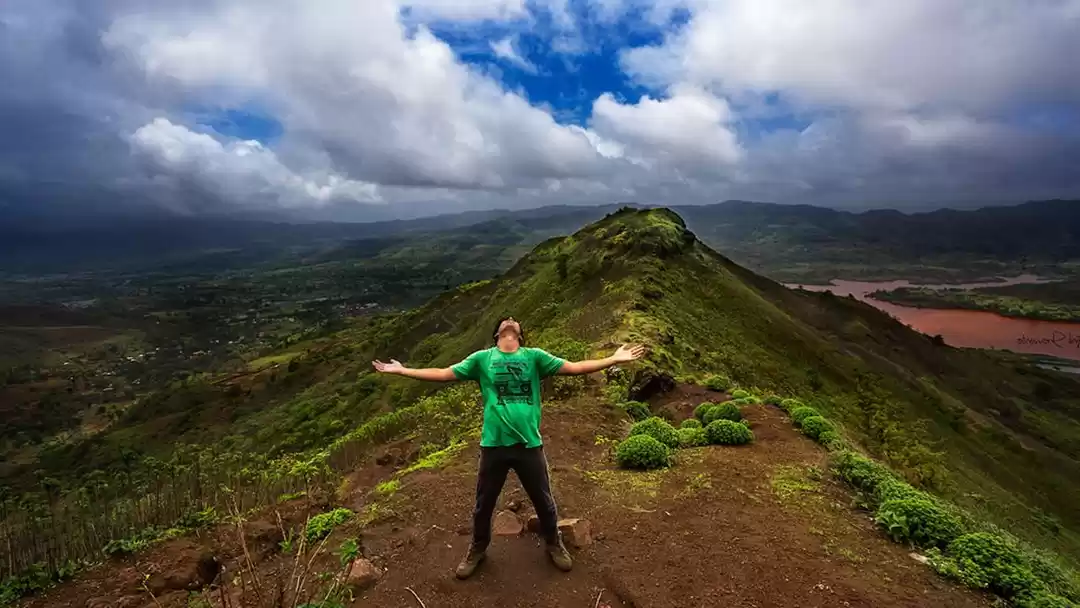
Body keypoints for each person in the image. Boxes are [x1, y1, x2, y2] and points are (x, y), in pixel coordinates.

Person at [372, 316, 645, 579]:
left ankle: (553, 542)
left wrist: (613, 359)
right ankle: (478, 548)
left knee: (544, 501)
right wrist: (403, 370)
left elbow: (574, 367)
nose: (510, 321)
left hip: (529, 444)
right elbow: (444, 374)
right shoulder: (482, 359)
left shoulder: (534, 356)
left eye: (514, 323)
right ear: (497, 334)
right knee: (484, 504)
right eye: (505, 322)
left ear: (519, 335)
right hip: (494, 445)